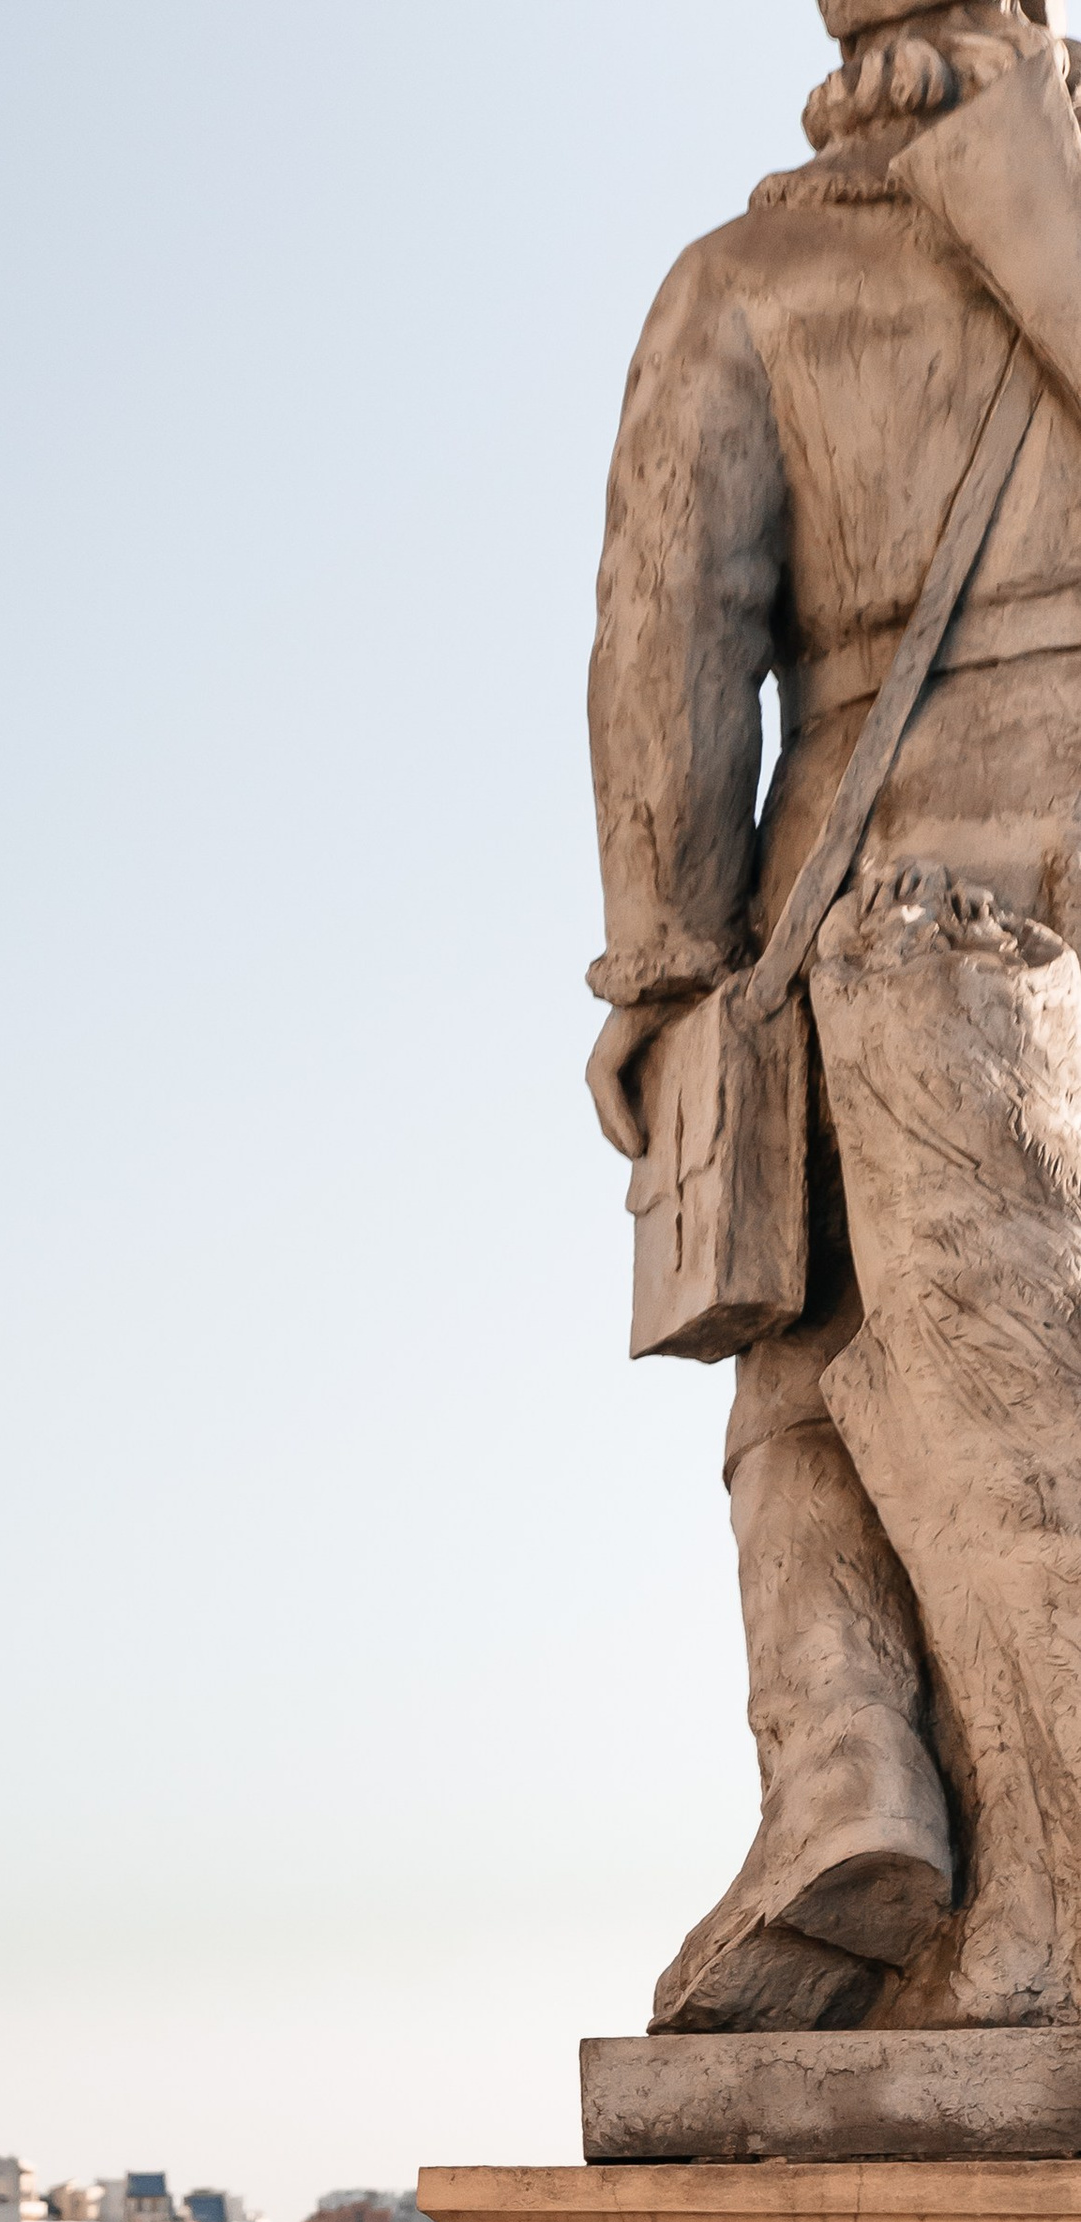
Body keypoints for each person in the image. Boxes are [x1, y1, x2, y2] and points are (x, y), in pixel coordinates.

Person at [588, 1, 1081, 2033]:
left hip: (864, 907)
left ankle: (939, 1831)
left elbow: (668, 646)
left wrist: (658, 965)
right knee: (951, 1390)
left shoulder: (749, 280)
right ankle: (858, 1795)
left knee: (820, 1361)